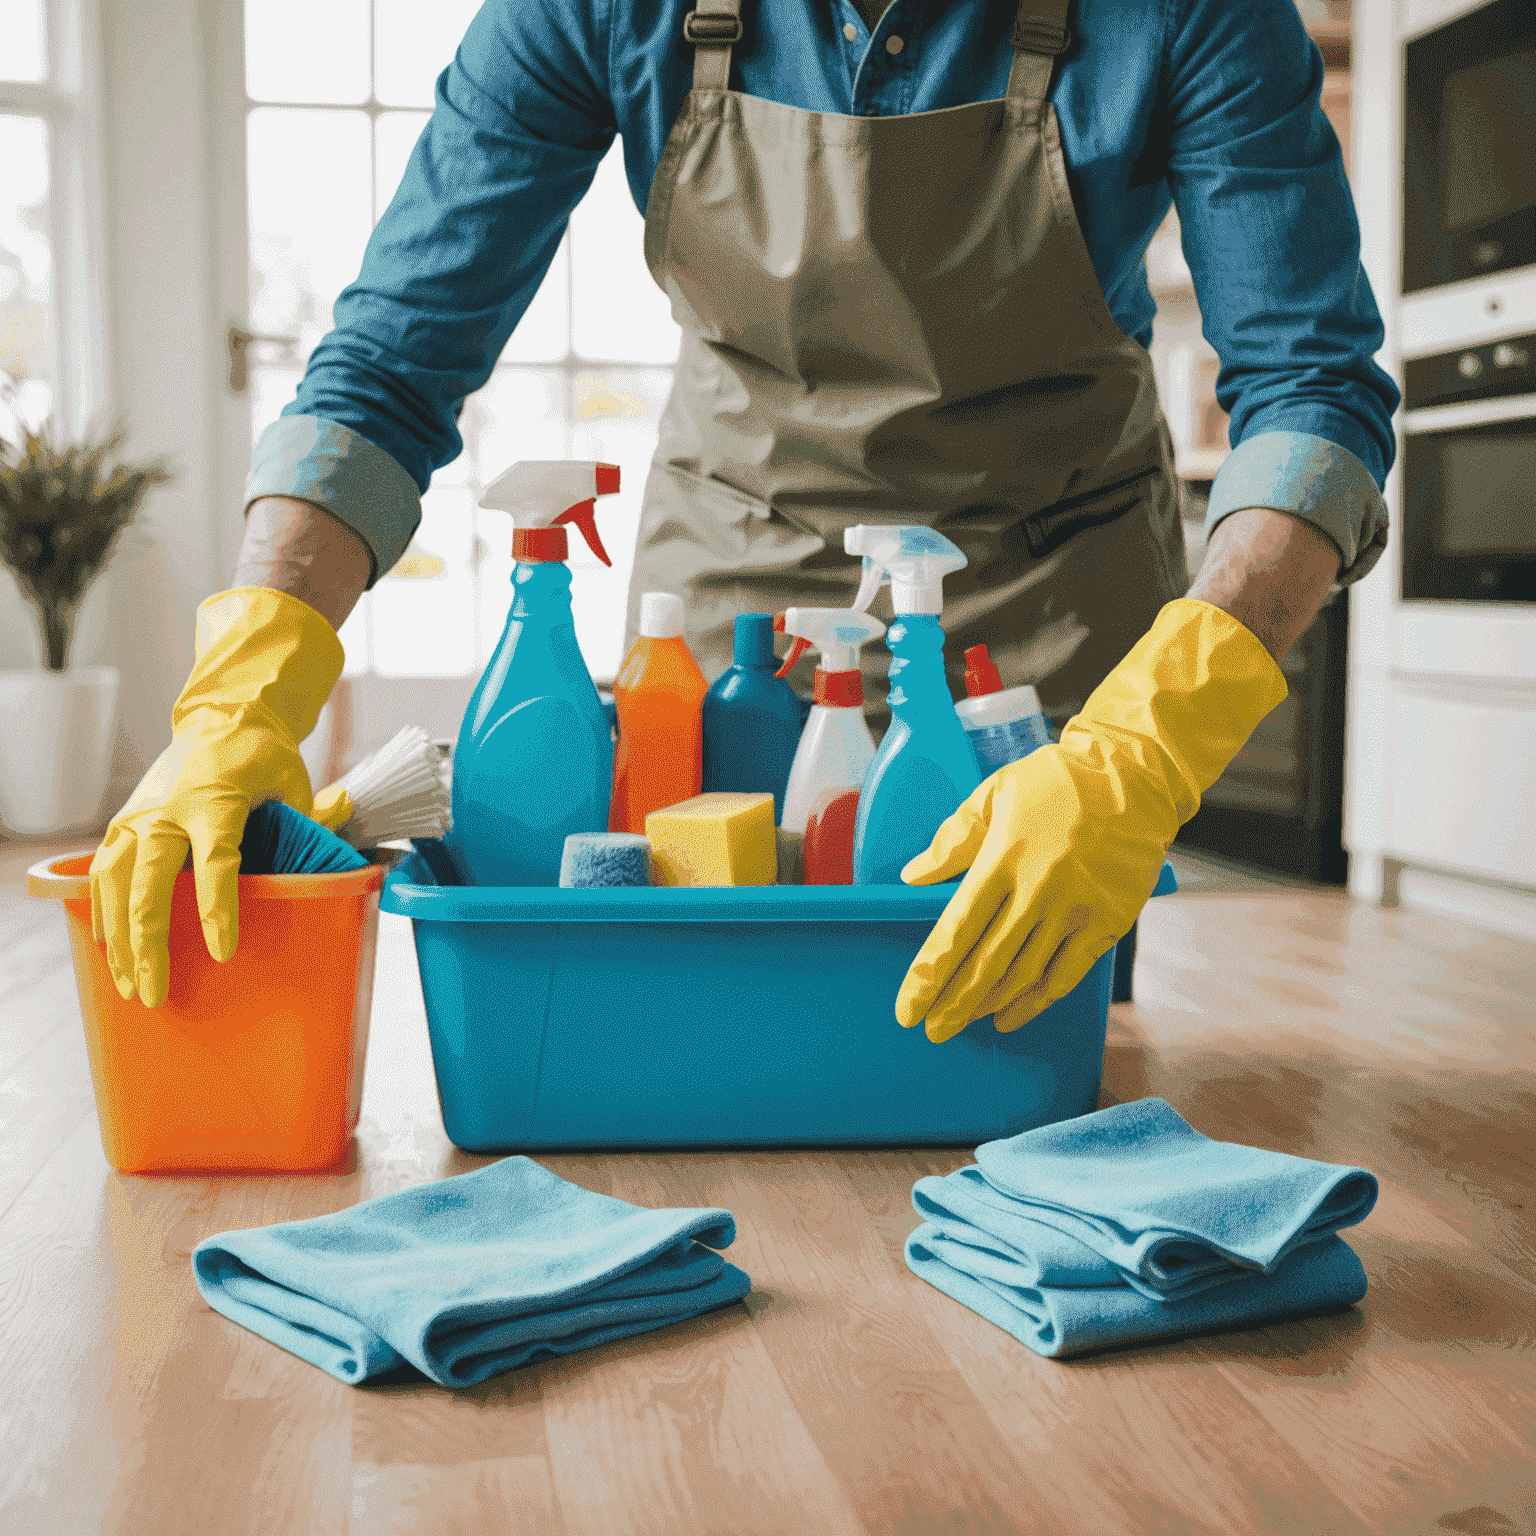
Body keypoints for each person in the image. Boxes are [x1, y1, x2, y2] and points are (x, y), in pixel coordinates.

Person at [92, 0, 1397, 1042]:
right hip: (730, 623)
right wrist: (239, 698)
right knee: (713, 1038)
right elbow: (386, 370)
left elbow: (1314, 396)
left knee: (1000, 1056)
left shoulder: (1195, 12)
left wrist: (1147, 745)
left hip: (1042, 640)